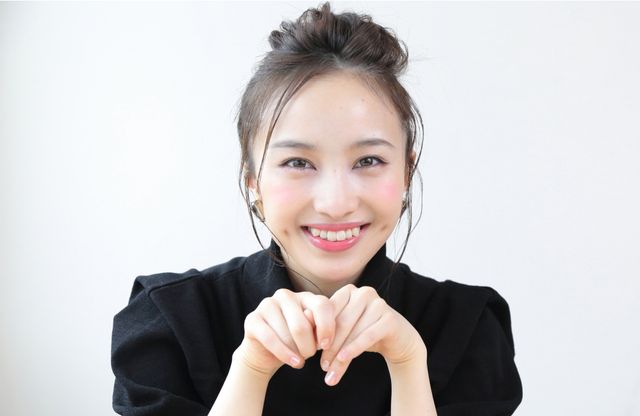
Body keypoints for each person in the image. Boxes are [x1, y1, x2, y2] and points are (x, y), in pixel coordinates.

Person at [111, 2, 523, 415]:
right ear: (252, 179)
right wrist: (250, 369)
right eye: (297, 162)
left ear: (405, 171)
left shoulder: (468, 328)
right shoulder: (173, 322)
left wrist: (407, 364)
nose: (335, 203)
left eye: (368, 161)